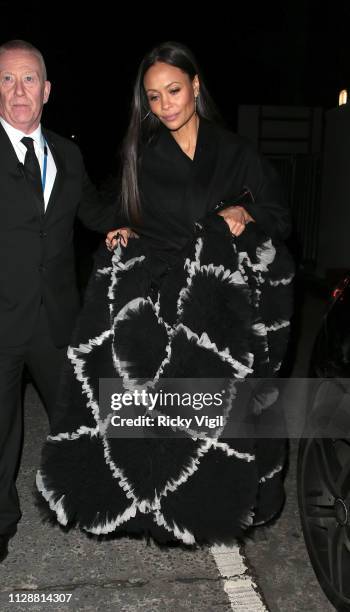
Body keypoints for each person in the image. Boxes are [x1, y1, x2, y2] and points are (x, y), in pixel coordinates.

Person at [37, 41, 294, 546]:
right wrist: (123, 233)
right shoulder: (144, 154)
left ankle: (229, 503)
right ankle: (176, 510)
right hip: (167, 300)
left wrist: (247, 217)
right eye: (153, 97)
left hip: (225, 303)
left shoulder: (237, 152)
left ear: (196, 86)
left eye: (173, 91)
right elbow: (125, 214)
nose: (165, 105)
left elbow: (281, 217)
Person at [0, 40, 118, 563]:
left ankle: (87, 501)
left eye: (28, 79)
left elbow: (95, 212)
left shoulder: (66, 154)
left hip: (56, 322)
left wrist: (135, 217)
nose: (17, 90)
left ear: (47, 90)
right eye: (6, 79)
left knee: (78, 418)